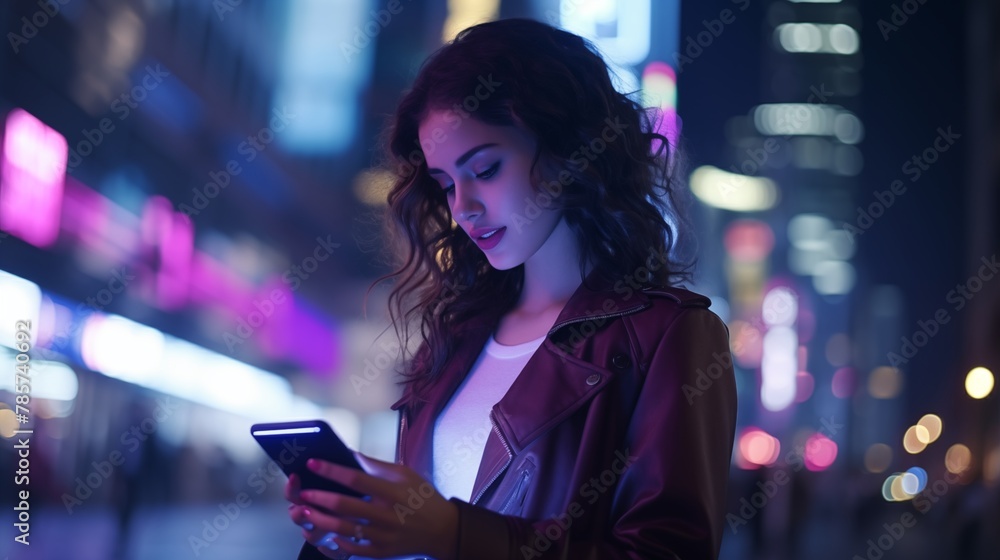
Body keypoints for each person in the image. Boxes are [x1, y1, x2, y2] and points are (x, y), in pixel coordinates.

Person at [285, 17, 737, 560]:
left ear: (569, 149)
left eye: (487, 168)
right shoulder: (458, 332)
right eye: (447, 183)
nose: (464, 207)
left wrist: (455, 533)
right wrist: (356, 531)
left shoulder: (669, 336)